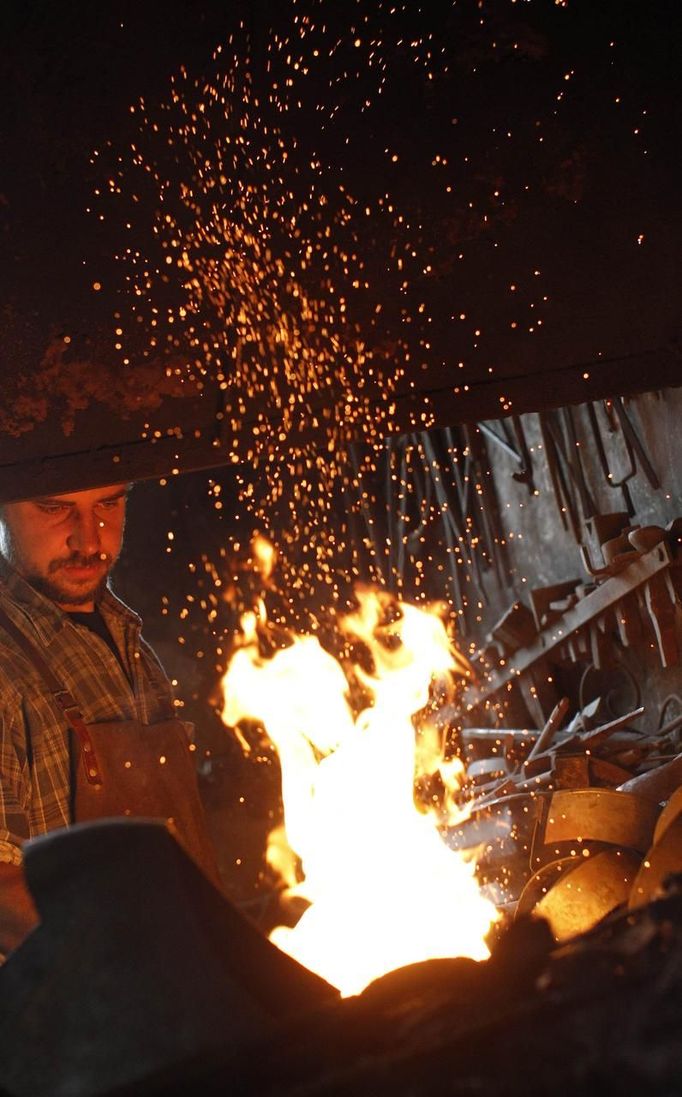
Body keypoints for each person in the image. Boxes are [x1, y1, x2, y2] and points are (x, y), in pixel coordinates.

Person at [0, 482, 220, 959]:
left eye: (108, 503)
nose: (89, 539)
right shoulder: (5, 663)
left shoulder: (127, 640)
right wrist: (136, 972)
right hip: (65, 1019)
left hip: (177, 993)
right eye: (53, 506)